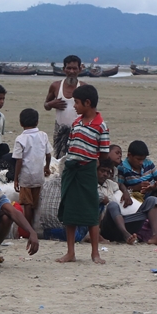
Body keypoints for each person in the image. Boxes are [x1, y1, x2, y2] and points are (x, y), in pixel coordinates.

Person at [56, 85, 107, 263]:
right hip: (71, 170)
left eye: (76, 103)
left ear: (87, 103)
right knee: (70, 210)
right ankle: (71, 252)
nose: (74, 106)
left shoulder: (101, 125)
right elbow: (71, 145)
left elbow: (104, 151)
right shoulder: (76, 123)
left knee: (91, 210)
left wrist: (93, 162)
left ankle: (95, 253)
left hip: (87, 171)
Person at [12, 108, 52, 228]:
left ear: (21, 123)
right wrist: (47, 167)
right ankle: (34, 227)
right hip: (39, 175)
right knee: (35, 202)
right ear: (37, 122)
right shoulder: (43, 135)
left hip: (26, 175)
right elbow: (48, 154)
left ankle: (27, 228)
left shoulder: (20, 139)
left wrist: (16, 178)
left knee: (27, 203)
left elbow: (19, 160)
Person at [44, 55, 89, 159]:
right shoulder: (56, 86)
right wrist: (51, 104)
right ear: (64, 69)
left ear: (80, 70)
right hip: (60, 131)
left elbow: (90, 110)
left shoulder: (84, 87)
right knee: (60, 160)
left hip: (79, 130)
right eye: (69, 68)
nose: (72, 71)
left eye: (74, 68)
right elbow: (46, 105)